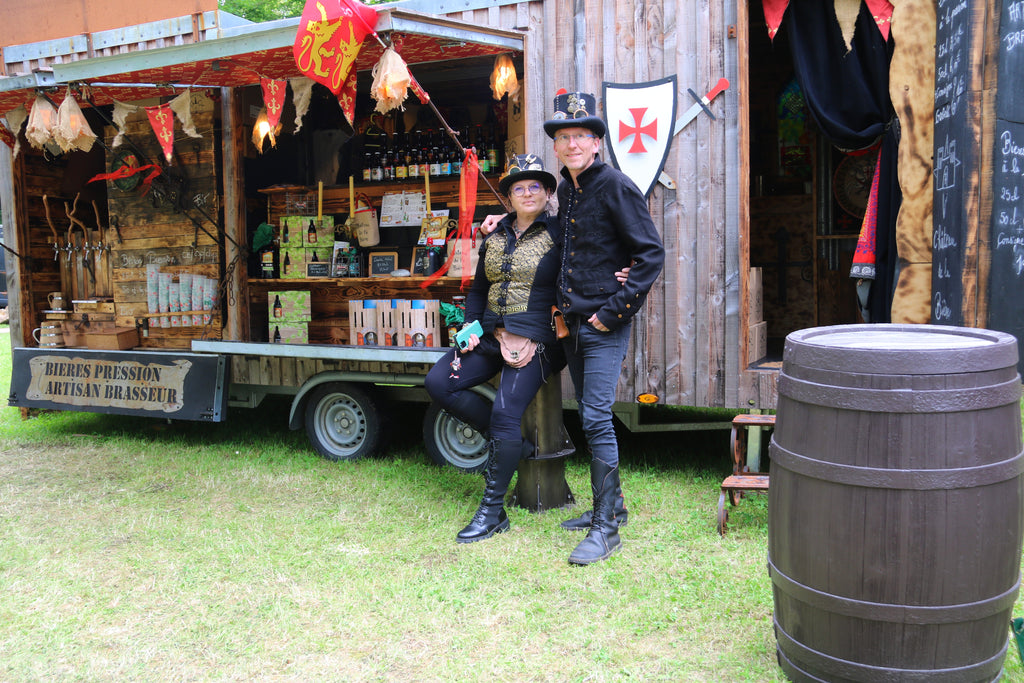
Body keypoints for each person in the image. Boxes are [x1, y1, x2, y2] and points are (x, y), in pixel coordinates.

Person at [482, 90, 665, 565]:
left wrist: (613, 310)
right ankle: (614, 506)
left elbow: (650, 255)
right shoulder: (568, 191)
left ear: (597, 143)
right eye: (564, 137)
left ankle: (606, 529)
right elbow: (554, 235)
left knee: (597, 418)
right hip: (573, 324)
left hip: (603, 323)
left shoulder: (616, 186)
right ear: (558, 147)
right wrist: (502, 221)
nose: (573, 143)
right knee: (587, 409)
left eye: (582, 135)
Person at [425, 154, 565, 544]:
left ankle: (492, 511)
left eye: (535, 186)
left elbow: (577, 280)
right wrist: (470, 326)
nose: (527, 193)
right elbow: (479, 289)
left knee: (505, 412)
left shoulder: (560, 235)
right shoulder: (496, 235)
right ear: (508, 197)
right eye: (518, 187)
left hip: (537, 339)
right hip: (489, 333)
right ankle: (512, 445)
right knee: (439, 383)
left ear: (548, 192)